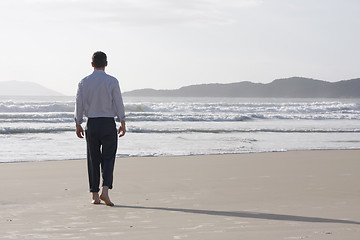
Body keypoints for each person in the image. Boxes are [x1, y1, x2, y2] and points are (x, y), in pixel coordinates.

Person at [74, 51, 126, 206]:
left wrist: (78, 123)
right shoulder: (112, 81)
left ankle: (95, 195)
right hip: (108, 123)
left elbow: (79, 104)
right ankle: (105, 191)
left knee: (93, 159)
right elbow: (118, 102)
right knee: (109, 158)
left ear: (92, 64)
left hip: (92, 123)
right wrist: (122, 121)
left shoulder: (84, 82)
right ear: (106, 64)